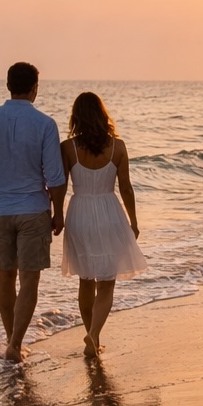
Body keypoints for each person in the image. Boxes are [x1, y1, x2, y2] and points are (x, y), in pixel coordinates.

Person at [0, 62, 67, 363]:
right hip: (33, 210)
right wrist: (58, 212)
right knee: (30, 280)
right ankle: (15, 344)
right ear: (35, 88)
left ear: (8, 85)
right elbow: (56, 177)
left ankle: (12, 340)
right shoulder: (45, 124)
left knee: (5, 276)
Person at [59, 91, 145, 357]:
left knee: (86, 280)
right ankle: (94, 335)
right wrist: (133, 221)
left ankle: (92, 338)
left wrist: (56, 215)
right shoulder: (117, 146)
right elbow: (127, 188)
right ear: (102, 114)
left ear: (76, 117)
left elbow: (60, 187)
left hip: (79, 213)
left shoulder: (68, 147)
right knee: (106, 282)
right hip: (109, 212)